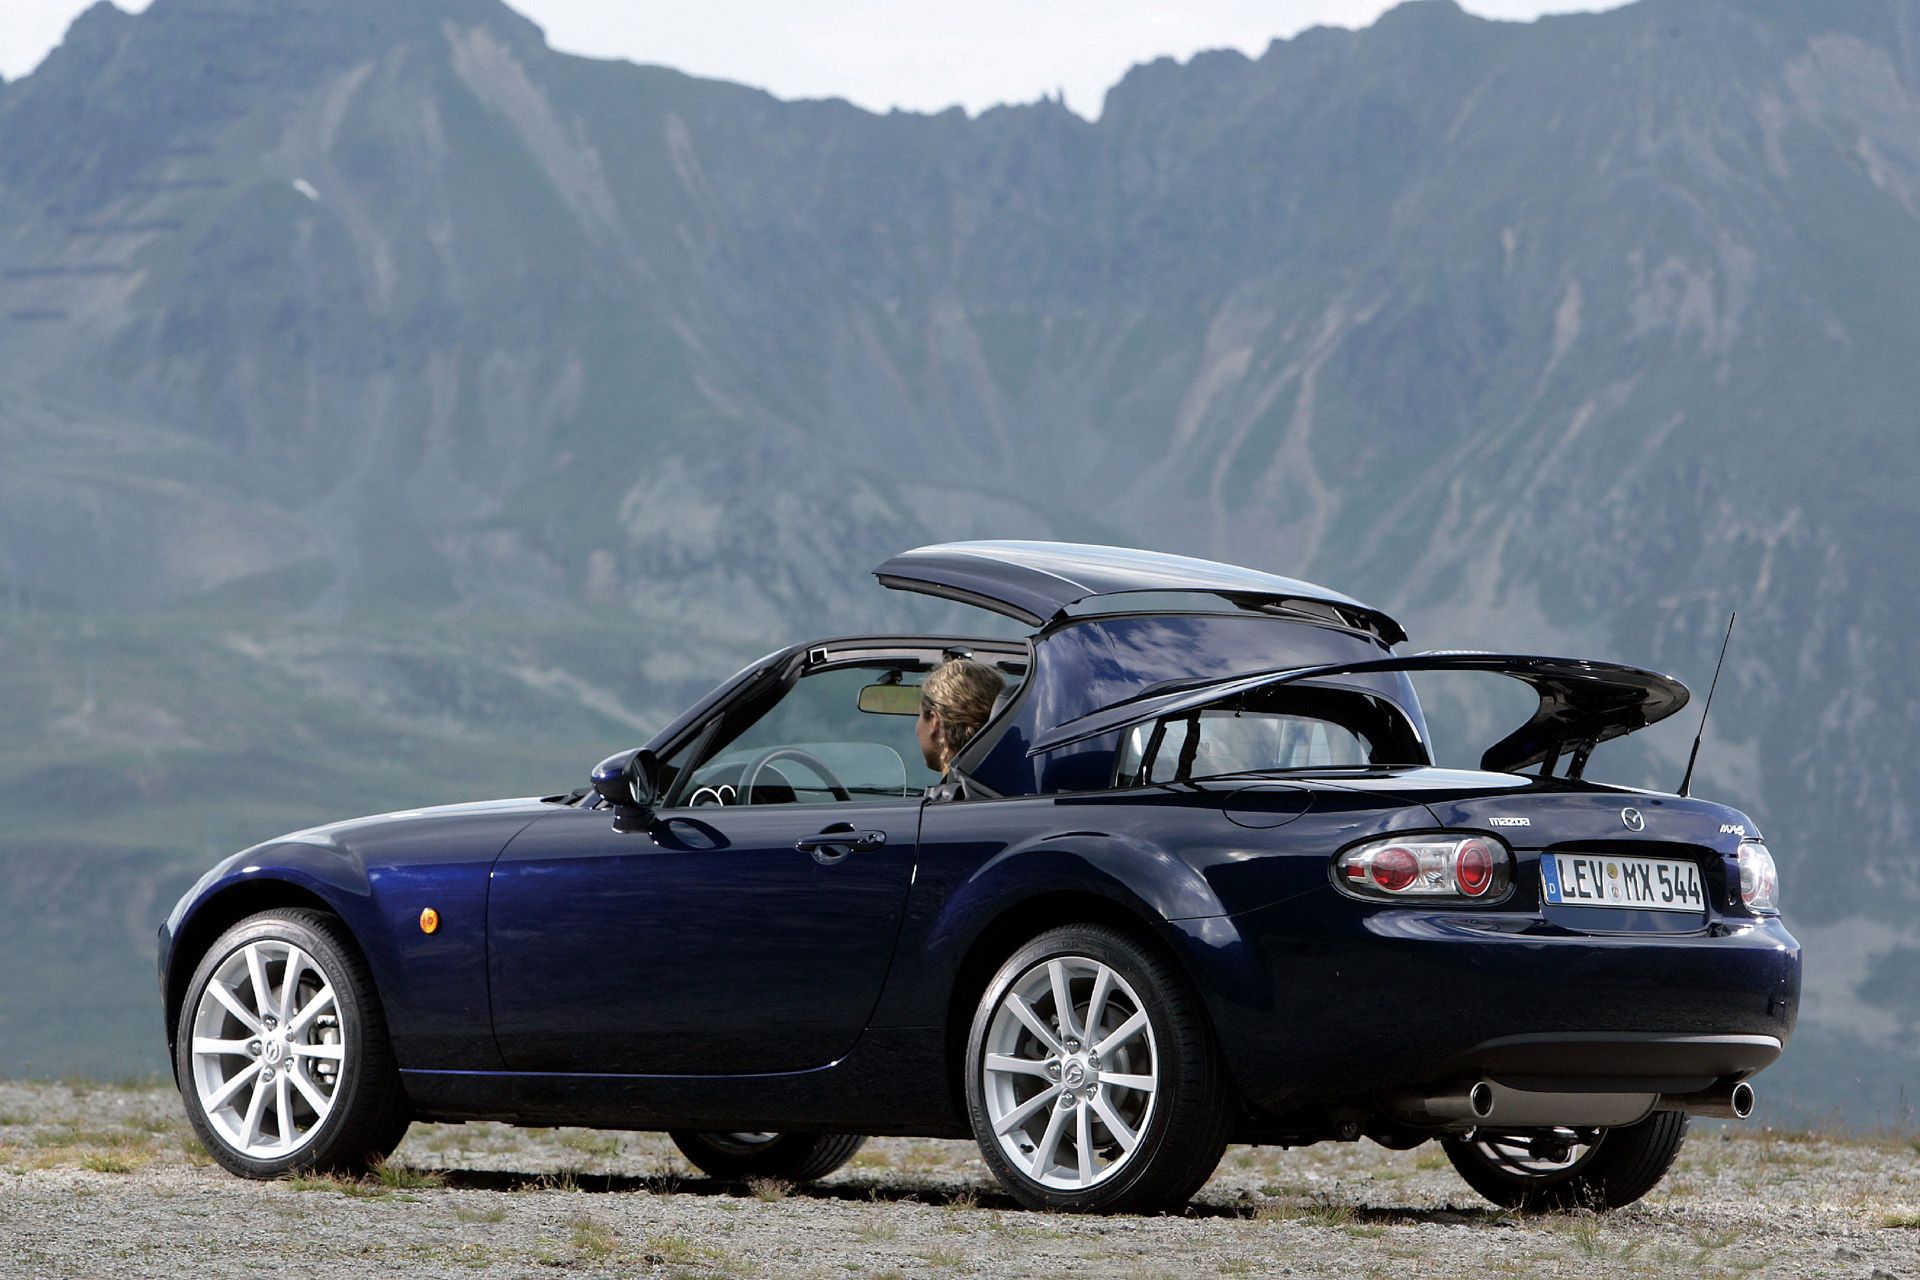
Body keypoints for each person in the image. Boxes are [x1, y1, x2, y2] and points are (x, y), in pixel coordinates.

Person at [917, 657, 1003, 774]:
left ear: (934, 721)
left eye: (919, 715)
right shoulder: (1013, 778)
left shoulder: (956, 785)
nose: (916, 728)